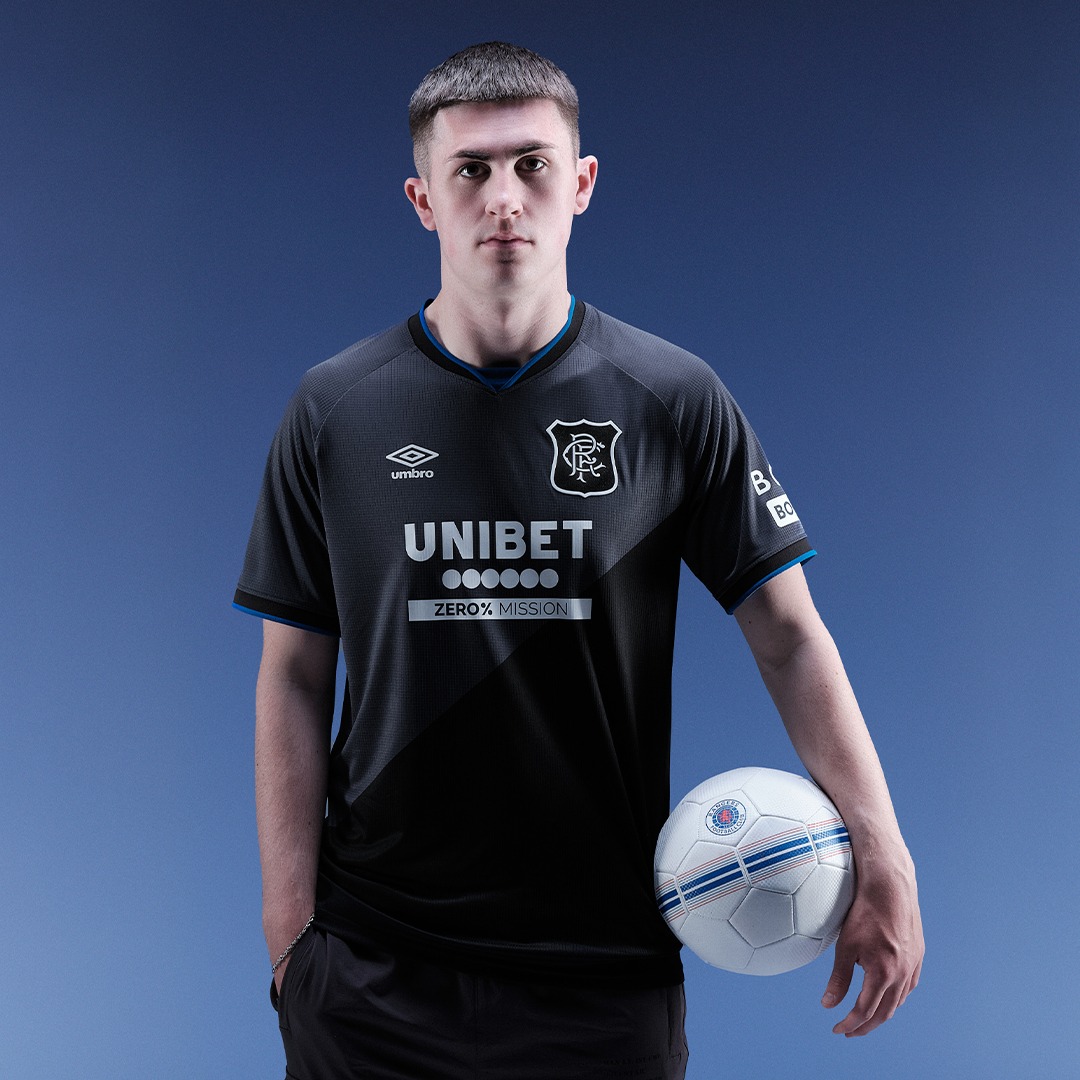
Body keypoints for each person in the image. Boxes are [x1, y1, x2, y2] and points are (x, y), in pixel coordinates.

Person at [234, 41, 923, 1080]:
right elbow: (293, 672)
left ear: (582, 183)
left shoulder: (672, 399)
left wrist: (885, 851)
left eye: (533, 164)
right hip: (374, 965)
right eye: (471, 170)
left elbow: (789, 636)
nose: (503, 198)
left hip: (603, 972)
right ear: (423, 199)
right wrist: (291, 940)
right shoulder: (335, 409)